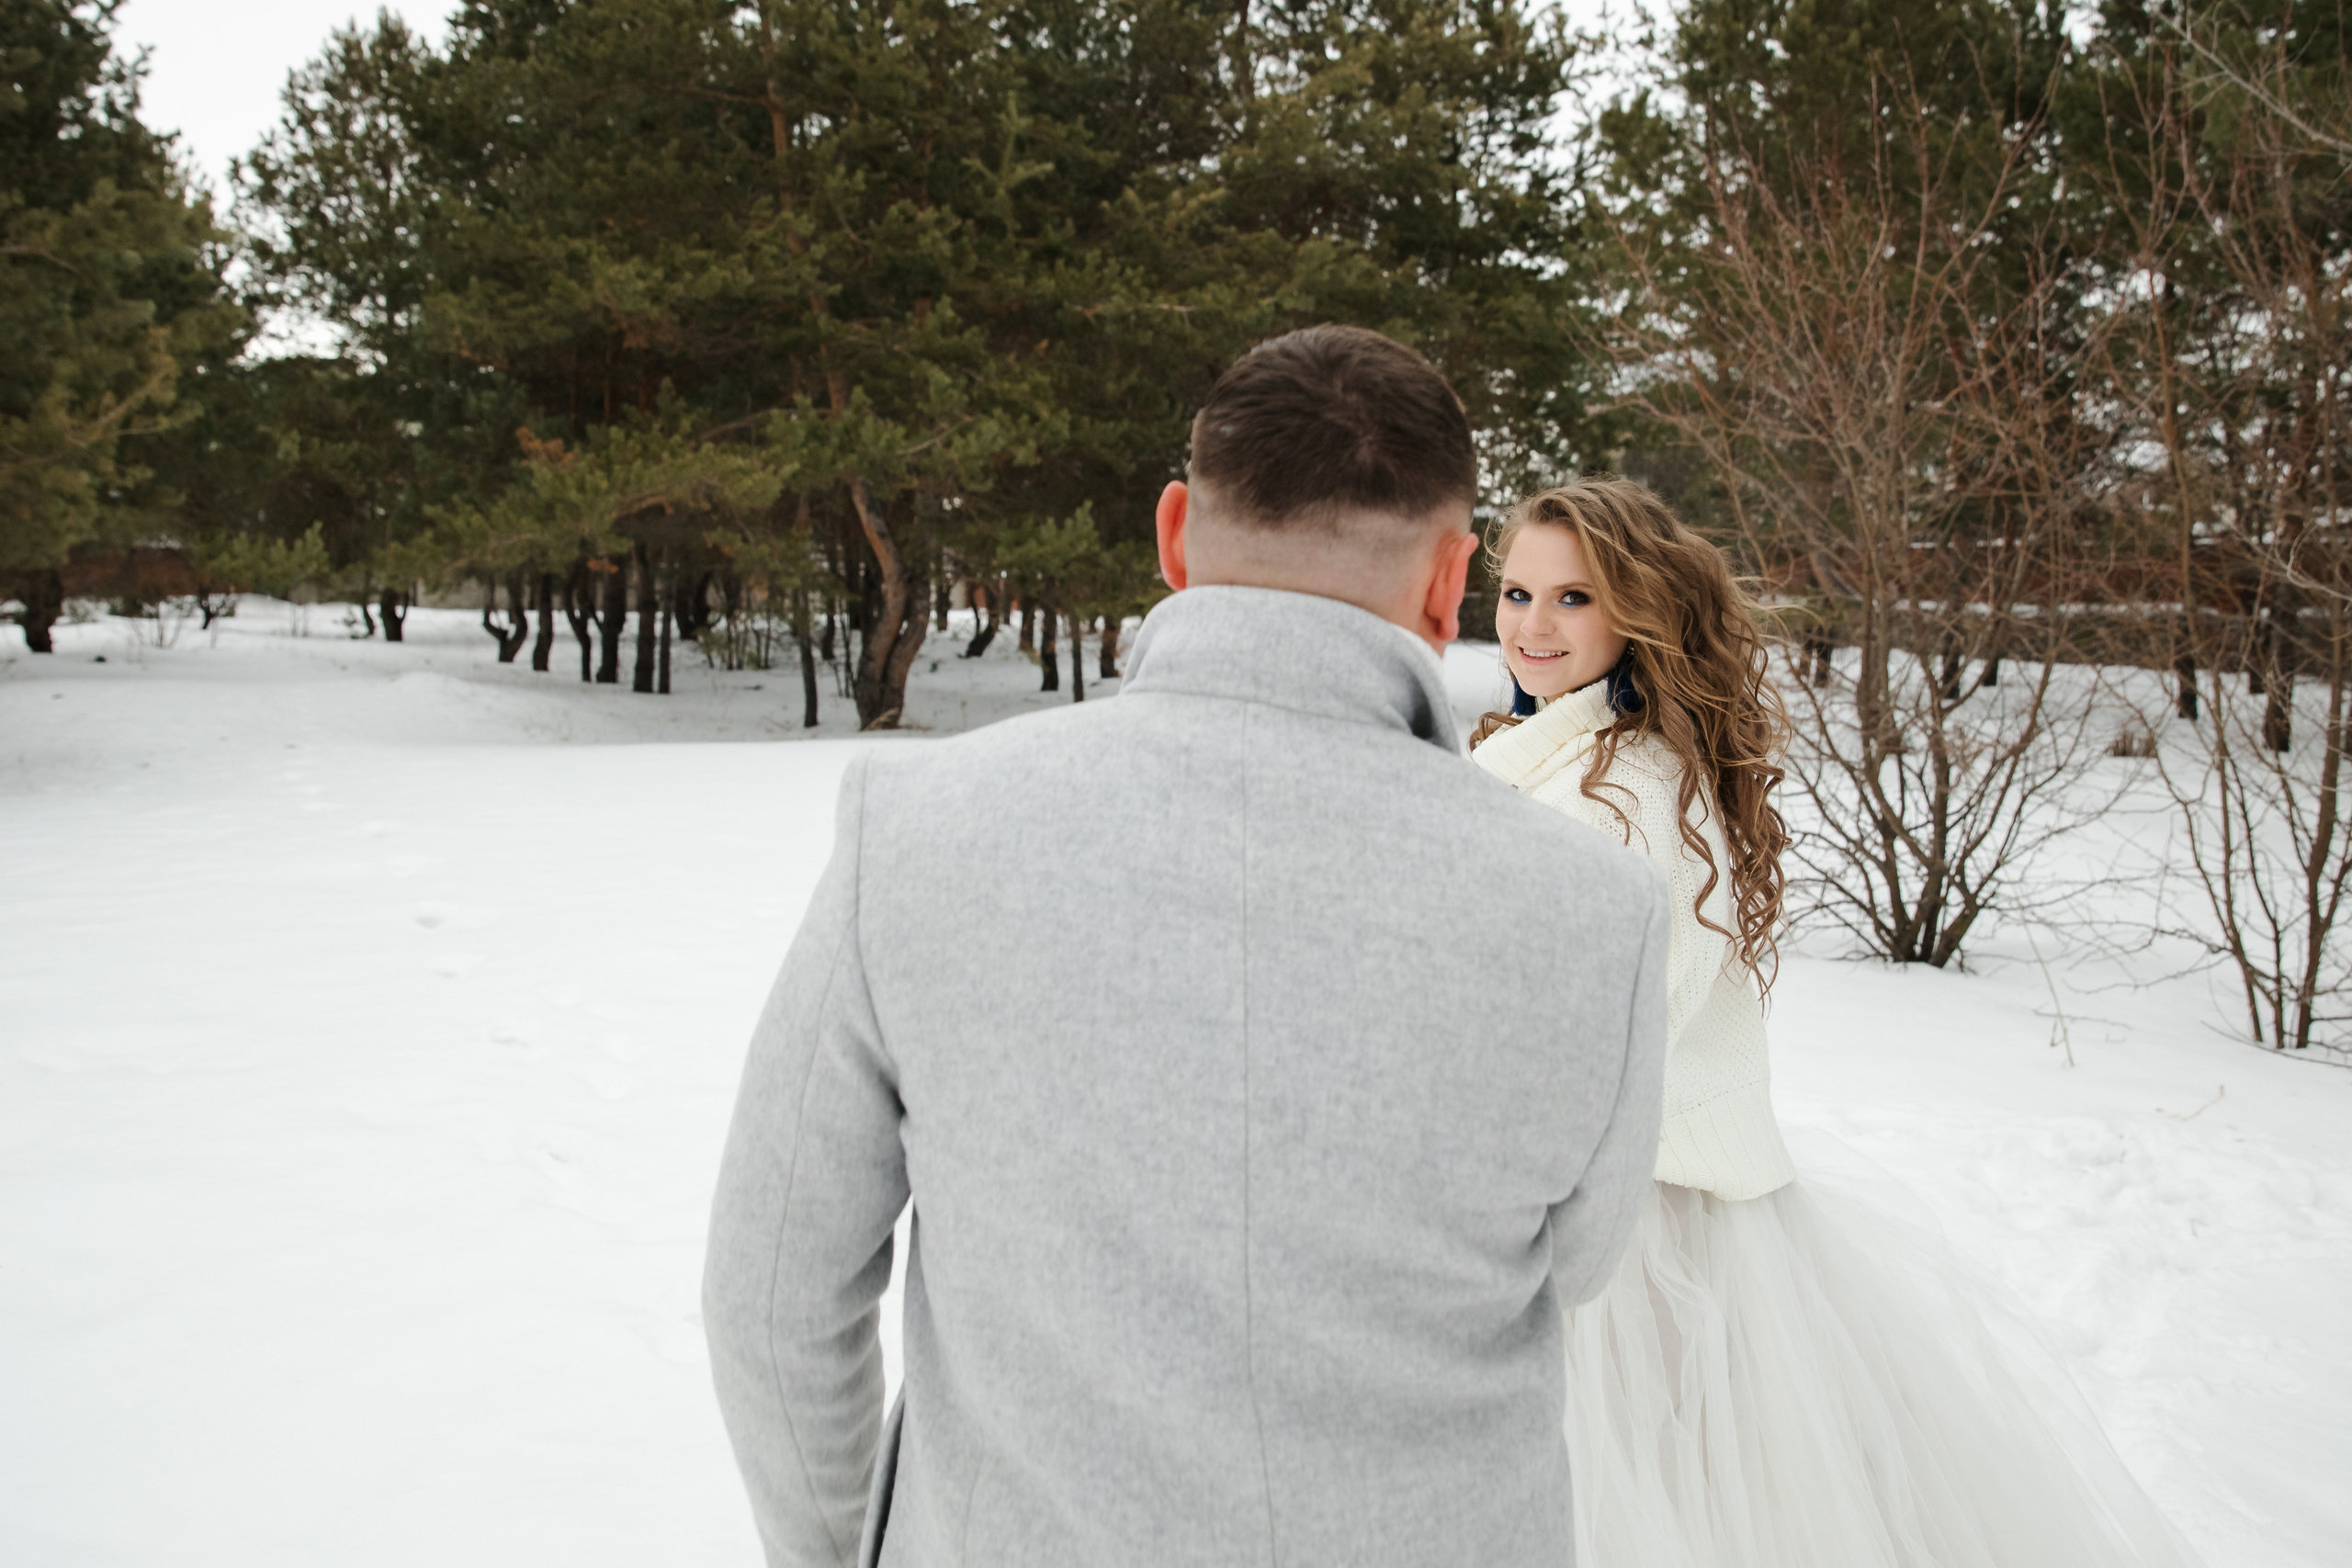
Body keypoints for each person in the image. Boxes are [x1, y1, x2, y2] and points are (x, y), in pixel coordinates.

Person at [702, 326, 1674, 1568]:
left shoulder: (914, 833)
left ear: (1173, 535)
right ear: (1451, 583)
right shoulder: (1598, 909)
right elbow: (1580, 1264)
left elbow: (771, 1298)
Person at [1469, 475, 2198, 1568]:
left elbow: (1613, 1037)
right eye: (1518, 593)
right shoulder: (1566, 758)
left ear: (1637, 607)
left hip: (1628, 1229)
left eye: (1574, 598)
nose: (1533, 625)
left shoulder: (1621, 793)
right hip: (1612, 1198)